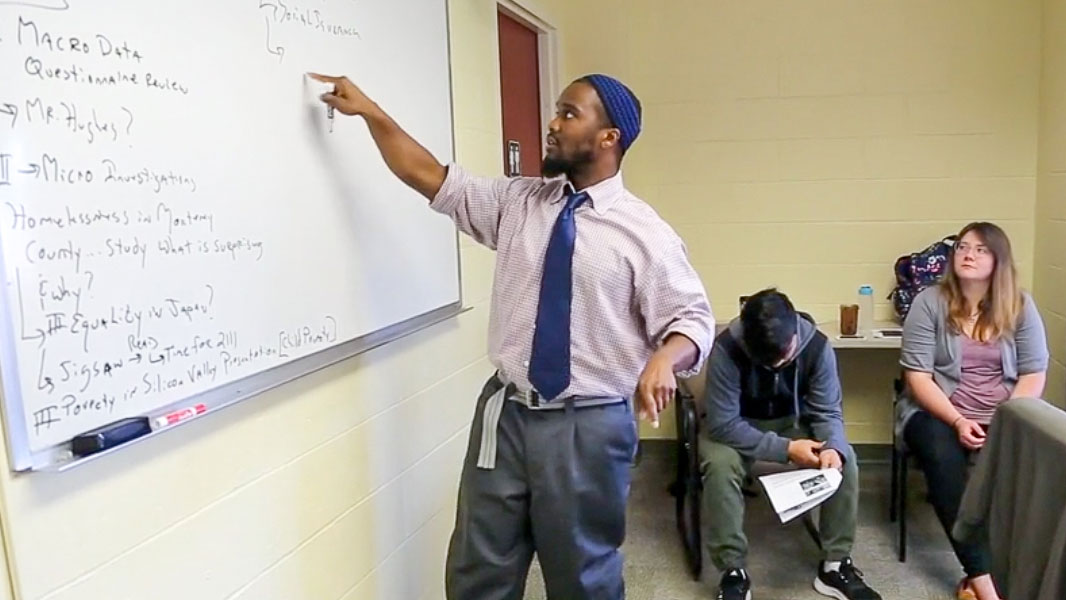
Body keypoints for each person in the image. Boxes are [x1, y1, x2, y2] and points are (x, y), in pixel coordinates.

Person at [310, 71, 715, 599]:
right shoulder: (521, 203)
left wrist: (665, 357)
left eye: (570, 114)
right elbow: (426, 173)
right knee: (479, 571)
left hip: (587, 426)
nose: (553, 123)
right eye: (557, 110)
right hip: (504, 415)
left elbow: (693, 319)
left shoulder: (646, 235)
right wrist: (373, 113)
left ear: (608, 137)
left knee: (582, 579)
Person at [898, 221, 1049, 600]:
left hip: (1005, 414)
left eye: (981, 249)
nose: (968, 254)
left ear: (999, 260)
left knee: (1040, 457)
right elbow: (917, 376)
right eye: (964, 247)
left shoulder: (1019, 305)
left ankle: (1022, 566)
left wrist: (1007, 421)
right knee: (940, 452)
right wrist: (958, 419)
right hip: (940, 412)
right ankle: (982, 579)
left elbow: (1034, 371)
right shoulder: (929, 302)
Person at [701, 288, 882, 600]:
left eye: (784, 355)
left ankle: (835, 565)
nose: (777, 365)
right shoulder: (727, 348)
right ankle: (732, 569)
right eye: (767, 361)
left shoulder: (818, 347)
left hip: (795, 423)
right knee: (719, 465)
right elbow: (722, 423)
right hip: (737, 428)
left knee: (845, 458)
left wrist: (832, 447)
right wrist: (785, 450)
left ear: (795, 330)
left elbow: (827, 411)